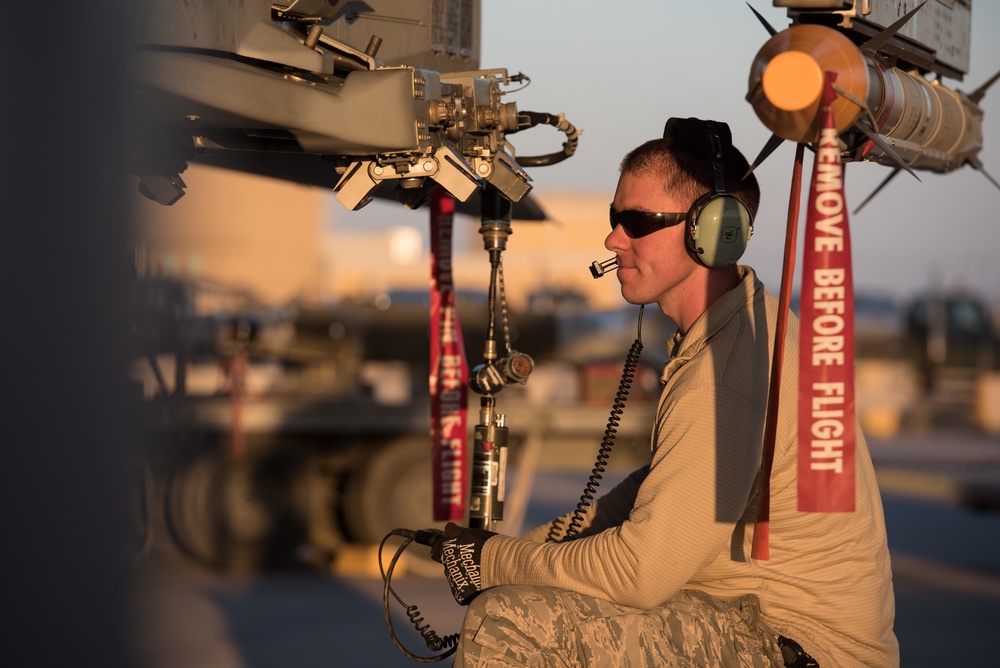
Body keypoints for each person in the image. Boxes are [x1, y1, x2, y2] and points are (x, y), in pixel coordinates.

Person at [430, 117, 898, 667]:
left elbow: (639, 571)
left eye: (636, 221)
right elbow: (650, 491)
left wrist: (496, 565)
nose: (612, 238)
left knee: (510, 620)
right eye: (614, 217)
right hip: (757, 625)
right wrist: (526, 549)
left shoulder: (726, 370)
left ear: (712, 230)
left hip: (798, 647)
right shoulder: (742, 325)